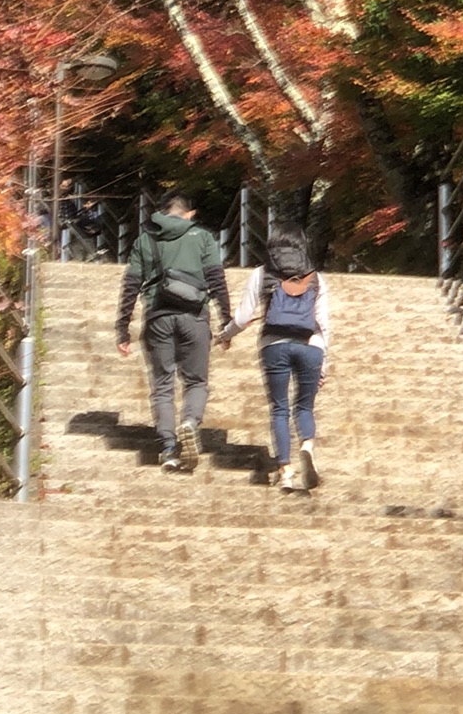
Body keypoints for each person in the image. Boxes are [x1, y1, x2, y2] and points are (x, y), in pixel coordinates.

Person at [117, 191, 232, 471]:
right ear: (190, 214)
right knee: (196, 382)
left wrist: (122, 328)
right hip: (194, 317)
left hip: (158, 317)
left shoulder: (145, 239)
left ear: (163, 212)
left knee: (162, 386)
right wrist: (226, 321)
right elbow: (217, 280)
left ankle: (168, 447)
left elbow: (131, 284)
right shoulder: (203, 237)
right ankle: (190, 422)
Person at [220, 221, 329, 491]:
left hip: (274, 344)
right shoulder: (315, 277)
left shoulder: (262, 273)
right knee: (304, 407)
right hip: (310, 345)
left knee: (279, 409)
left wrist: (225, 335)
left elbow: (244, 317)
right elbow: (324, 323)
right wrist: (324, 362)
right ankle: (307, 445)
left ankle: (285, 471)